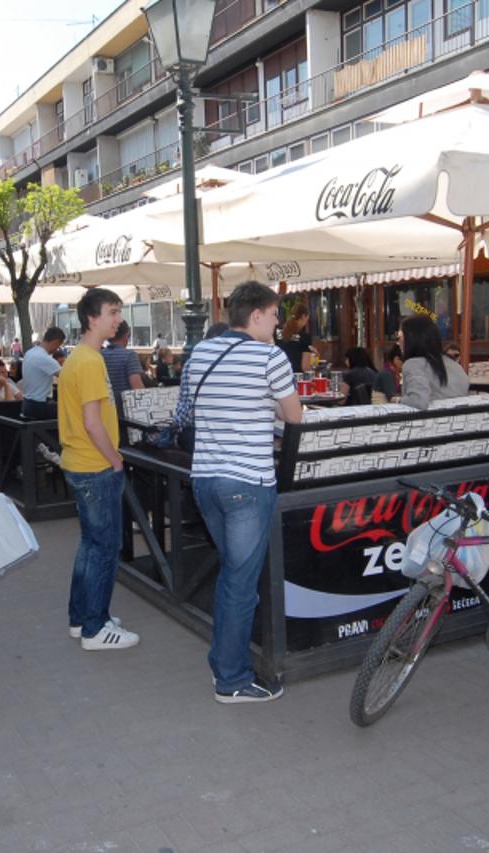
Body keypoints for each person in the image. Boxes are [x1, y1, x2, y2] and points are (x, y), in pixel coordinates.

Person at [180, 282, 302, 702]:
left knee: (232, 574)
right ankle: (231, 679)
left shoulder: (199, 352)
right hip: (248, 483)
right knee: (239, 583)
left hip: (206, 482)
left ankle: (224, 664)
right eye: (274, 315)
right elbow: (295, 416)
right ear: (255, 316)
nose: (277, 323)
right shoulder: (270, 356)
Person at [58, 288, 139, 651]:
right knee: (104, 546)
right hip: (95, 465)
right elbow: (93, 422)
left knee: (91, 545)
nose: (117, 318)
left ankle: (83, 617)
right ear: (92, 318)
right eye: (112, 312)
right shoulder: (89, 361)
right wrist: (115, 459)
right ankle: (95, 626)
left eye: (118, 311)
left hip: (81, 462)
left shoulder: (80, 358)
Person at [397, 316, 470, 410]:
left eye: (400, 336)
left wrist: (398, 400)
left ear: (412, 338)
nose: (398, 342)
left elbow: (418, 401)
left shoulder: (413, 364)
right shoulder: (455, 366)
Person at [20, 327, 66, 419]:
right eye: (58, 346)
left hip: (27, 404)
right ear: (55, 342)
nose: (57, 349)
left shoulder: (30, 353)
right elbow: (68, 377)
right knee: (72, 414)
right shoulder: (45, 358)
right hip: (40, 405)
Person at [101, 320, 145, 405]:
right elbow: (137, 387)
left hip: (106, 406)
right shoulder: (129, 355)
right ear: (126, 335)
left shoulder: (100, 355)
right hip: (125, 406)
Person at [277, 302, 313, 373]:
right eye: (307, 317)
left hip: (279, 375)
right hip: (297, 378)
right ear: (303, 316)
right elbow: (305, 367)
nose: (307, 320)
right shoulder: (305, 337)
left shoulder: (279, 333)